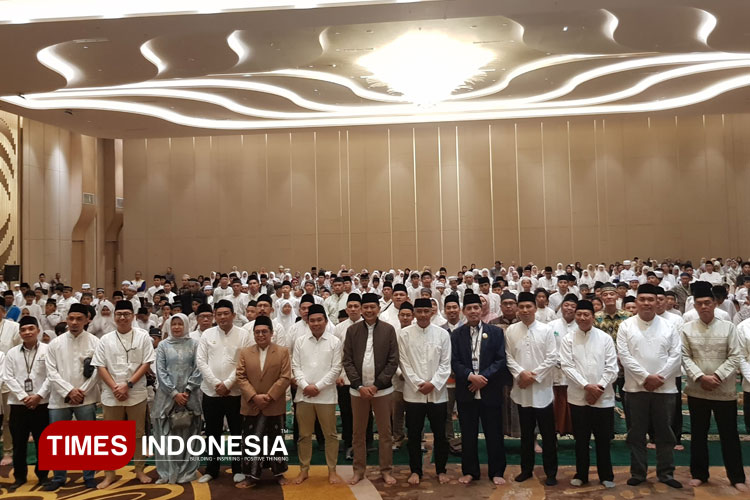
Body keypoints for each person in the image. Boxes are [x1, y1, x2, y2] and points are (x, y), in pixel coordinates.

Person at [680, 281, 746, 491]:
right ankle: (700, 474)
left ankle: (737, 478)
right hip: (698, 390)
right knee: (698, 434)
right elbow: (684, 356)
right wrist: (701, 377)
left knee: (730, 434)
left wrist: (716, 376)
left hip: (723, 391)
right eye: (700, 303)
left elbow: (735, 355)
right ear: (695, 306)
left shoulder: (728, 328)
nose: (704, 307)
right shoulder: (687, 329)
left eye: (708, 302)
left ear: (715, 304)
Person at [617, 283, 682, 489]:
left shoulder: (669, 326)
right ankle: (638, 472)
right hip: (635, 388)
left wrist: (659, 377)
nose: (646, 303)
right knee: (636, 432)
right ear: (636, 302)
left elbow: (676, 355)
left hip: (665, 388)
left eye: (650, 299)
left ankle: (666, 472)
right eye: (642, 299)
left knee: (665, 432)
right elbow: (624, 356)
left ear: (657, 302)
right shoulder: (626, 326)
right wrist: (646, 377)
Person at [92, 300, 155, 487]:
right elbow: (100, 366)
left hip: (136, 393)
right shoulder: (105, 339)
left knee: (138, 434)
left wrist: (127, 385)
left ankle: (139, 470)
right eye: (119, 314)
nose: (122, 317)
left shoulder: (143, 337)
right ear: (114, 316)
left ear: (133, 316)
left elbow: (146, 363)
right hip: (112, 394)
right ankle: (110, 474)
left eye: (126, 314)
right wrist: (115, 387)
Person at [451, 293, 509, 485]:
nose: (473, 311)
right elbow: (454, 361)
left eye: (476, 307)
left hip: (489, 389)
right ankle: (470, 471)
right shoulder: (456, 335)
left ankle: (497, 471)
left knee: (494, 433)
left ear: (482, 309)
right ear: (464, 312)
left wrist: (483, 377)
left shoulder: (495, 332)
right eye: (469, 308)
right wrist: (470, 376)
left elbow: (501, 360)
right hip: (467, 389)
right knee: (468, 434)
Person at [342, 293, 399, 486]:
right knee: (358, 433)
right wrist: (358, 385)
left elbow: (393, 361)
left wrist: (376, 385)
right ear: (360, 309)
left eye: (372, 307)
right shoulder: (352, 331)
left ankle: (386, 470)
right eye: (364, 307)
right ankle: (358, 471)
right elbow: (347, 361)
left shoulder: (389, 330)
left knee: (385, 433)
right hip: (358, 391)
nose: (368, 310)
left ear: (378, 308)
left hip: (382, 391)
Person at [559, 300, 617, 488]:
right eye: (579, 314)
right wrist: (586, 386)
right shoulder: (568, 339)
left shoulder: (605, 338)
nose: (582, 318)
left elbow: (612, 368)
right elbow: (567, 366)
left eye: (586, 315)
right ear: (575, 316)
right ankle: (581, 474)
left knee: (603, 439)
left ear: (593, 316)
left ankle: (606, 475)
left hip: (603, 397)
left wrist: (598, 387)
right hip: (578, 397)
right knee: (581, 440)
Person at [43, 303, 101, 491]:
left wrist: (81, 391)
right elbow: (51, 372)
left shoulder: (95, 342)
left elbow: (98, 371)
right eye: (71, 318)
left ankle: (89, 475)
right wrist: (69, 391)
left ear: (87, 320)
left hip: (87, 397)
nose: (74, 322)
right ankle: (59, 477)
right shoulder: (55, 343)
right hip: (60, 398)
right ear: (66, 319)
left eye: (79, 319)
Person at [505, 292, 558, 486]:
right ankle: (526, 470)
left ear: (536, 308)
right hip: (522, 391)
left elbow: (552, 357)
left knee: (548, 435)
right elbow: (508, 357)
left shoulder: (546, 330)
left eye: (529, 306)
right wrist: (521, 374)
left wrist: (532, 376)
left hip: (542, 390)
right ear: (518, 309)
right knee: (526, 435)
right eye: (522, 307)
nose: (525, 310)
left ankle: (551, 472)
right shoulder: (511, 330)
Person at [398, 298, 452, 485]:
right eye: (418, 311)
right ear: (413, 313)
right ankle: (415, 470)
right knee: (413, 434)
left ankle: (441, 469)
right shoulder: (404, 334)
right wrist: (419, 383)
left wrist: (434, 383)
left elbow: (446, 364)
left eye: (425, 311)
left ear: (432, 313)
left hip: (437, 394)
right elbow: (403, 363)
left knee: (440, 434)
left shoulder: (442, 334)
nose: (422, 315)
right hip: (414, 394)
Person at [195, 300, 249, 484]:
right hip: (211, 392)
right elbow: (201, 361)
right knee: (212, 432)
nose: (223, 317)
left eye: (227, 313)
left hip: (234, 393)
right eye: (219, 314)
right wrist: (217, 383)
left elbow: (243, 363)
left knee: (236, 431)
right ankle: (212, 469)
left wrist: (227, 383)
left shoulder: (243, 335)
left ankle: (238, 468)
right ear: (214, 316)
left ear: (233, 315)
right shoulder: (207, 334)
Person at [235, 316, 291, 488]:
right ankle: (251, 476)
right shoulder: (245, 352)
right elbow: (241, 377)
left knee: (276, 441)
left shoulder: (282, 351)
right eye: (257, 332)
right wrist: (254, 396)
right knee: (251, 441)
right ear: (253, 334)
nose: (260, 335)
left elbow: (285, 377)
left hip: (273, 403)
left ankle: (279, 474)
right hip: (251, 404)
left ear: (271, 333)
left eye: (264, 331)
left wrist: (269, 396)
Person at [291, 304, 343, 485]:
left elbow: (336, 369)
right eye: (312, 320)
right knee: (304, 435)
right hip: (303, 395)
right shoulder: (300, 341)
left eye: (319, 320)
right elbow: (295, 366)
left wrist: (318, 387)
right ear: (307, 321)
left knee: (330, 435)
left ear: (326, 321)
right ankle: (304, 470)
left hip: (326, 396)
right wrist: (305, 386)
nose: (316, 323)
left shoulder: (335, 342)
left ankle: (332, 471)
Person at [152, 313, 203, 484]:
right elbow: (161, 370)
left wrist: (187, 390)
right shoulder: (163, 346)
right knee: (166, 433)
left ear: (186, 325)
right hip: (167, 396)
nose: (176, 327)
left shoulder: (195, 344)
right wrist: (174, 393)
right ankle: (166, 472)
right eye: (173, 324)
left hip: (191, 394)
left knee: (189, 431)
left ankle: (187, 471)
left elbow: (198, 368)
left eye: (180, 324)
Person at [3, 316, 50, 491]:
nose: (27, 332)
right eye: (23, 329)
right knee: (19, 443)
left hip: (42, 403)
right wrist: (24, 397)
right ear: (20, 333)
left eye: (31, 328)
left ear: (38, 330)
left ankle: (43, 476)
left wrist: (38, 395)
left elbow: (51, 375)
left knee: (43, 443)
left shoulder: (47, 350)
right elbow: (8, 377)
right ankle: (19, 477)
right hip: (18, 405)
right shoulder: (12, 353)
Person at [0, 301, 21, 467]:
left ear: (3, 311)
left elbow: (18, 353)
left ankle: (8, 450)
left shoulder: (14, 327)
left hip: (7, 379)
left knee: (8, 418)